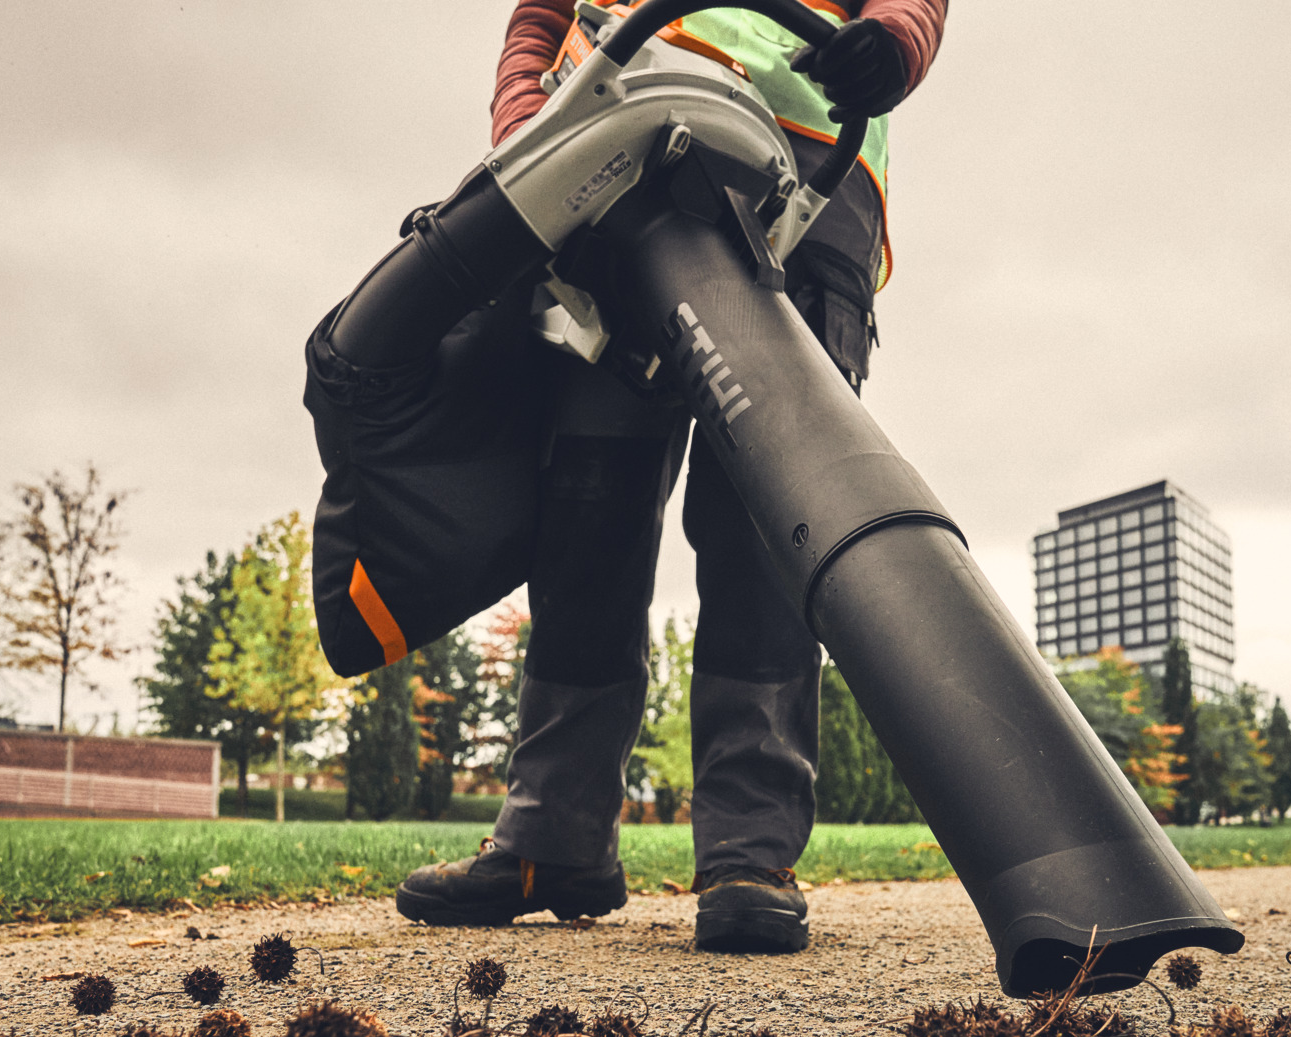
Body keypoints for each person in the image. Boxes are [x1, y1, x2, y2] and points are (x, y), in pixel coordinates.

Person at [394, 0, 949, 954]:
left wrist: (895, 41)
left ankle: (749, 852)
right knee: (584, 515)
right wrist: (524, 124)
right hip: (605, 156)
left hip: (807, 165)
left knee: (767, 523)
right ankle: (553, 836)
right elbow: (540, 16)